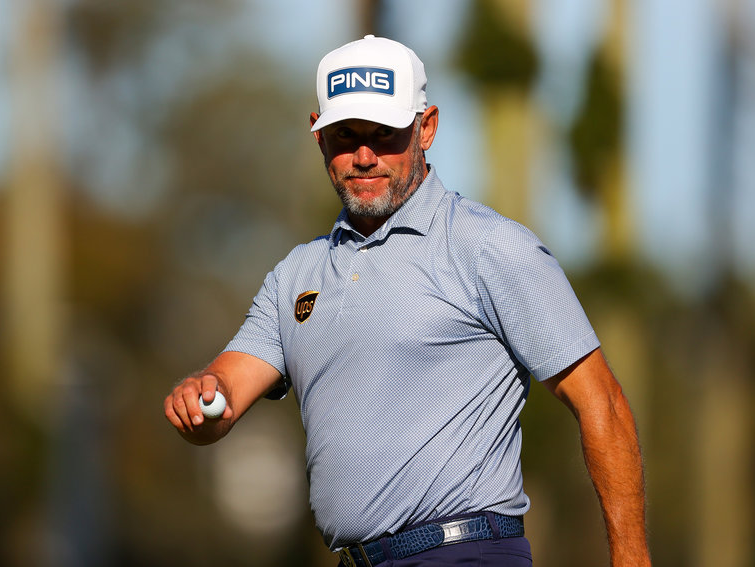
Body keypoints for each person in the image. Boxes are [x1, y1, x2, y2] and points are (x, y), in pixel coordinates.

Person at [165, 35, 650, 567]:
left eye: (386, 135)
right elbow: (224, 396)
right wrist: (198, 397)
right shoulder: (295, 276)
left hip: (466, 554)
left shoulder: (488, 247)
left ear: (427, 128)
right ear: (319, 136)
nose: (366, 156)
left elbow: (601, 402)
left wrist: (630, 558)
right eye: (346, 136)